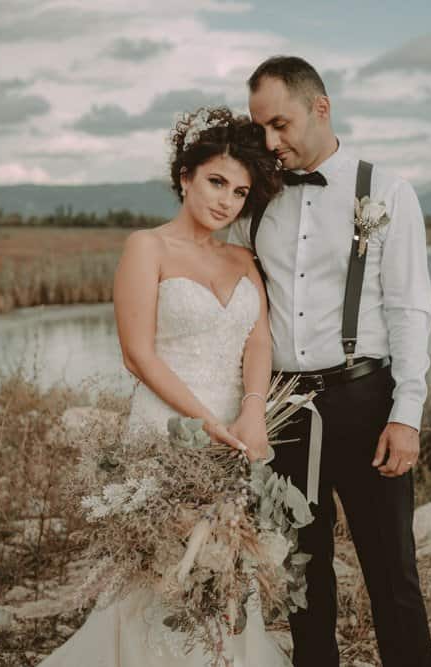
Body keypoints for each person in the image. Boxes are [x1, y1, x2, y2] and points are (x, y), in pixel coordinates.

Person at [37, 106, 288, 666]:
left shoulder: (244, 258)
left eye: (240, 192)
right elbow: (138, 354)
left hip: (237, 431)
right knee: (162, 565)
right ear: (184, 178)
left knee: (227, 560)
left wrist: (251, 413)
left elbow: (258, 344)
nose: (226, 201)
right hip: (166, 429)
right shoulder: (145, 247)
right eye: (216, 182)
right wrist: (204, 422)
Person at [227, 56, 431, 667]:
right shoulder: (256, 199)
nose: (270, 142)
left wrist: (408, 413)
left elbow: (409, 309)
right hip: (285, 406)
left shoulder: (387, 191)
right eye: (260, 128)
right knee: (302, 575)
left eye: (280, 124)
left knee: (393, 573)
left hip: (365, 401)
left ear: (321, 107)